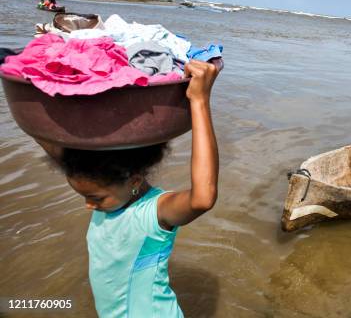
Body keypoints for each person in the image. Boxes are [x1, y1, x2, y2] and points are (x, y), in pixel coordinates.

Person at [39, 59, 220, 317]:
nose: (89, 205)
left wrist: (199, 101)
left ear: (134, 181)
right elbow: (45, 136)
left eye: (95, 198)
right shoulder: (109, 192)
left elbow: (203, 198)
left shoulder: (153, 214)